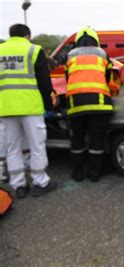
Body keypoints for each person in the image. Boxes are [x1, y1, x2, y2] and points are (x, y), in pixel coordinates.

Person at [0, 24, 57, 198]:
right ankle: (40, 182)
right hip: (30, 107)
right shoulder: (33, 50)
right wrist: (49, 104)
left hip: (6, 108)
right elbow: (43, 80)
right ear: (27, 35)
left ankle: (18, 186)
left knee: (13, 147)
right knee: (36, 145)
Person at [65, 27, 114, 182]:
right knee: (97, 140)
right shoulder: (102, 54)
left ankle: (77, 172)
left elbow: (68, 77)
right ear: (96, 40)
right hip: (99, 105)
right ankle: (94, 173)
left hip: (76, 106)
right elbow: (108, 77)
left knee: (77, 140)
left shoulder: (70, 55)